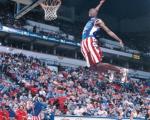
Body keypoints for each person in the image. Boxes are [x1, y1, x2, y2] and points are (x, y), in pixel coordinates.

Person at [81, 0, 124, 69]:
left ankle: (121, 70)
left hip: (90, 40)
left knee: (98, 63)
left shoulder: (98, 21)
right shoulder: (91, 19)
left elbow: (108, 31)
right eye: (91, 11)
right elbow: (96, 9)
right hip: (83, 42)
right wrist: (100, 3)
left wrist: (119, 40)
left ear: (95, 13)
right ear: (89, 14)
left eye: (94, 10)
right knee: (92, 66)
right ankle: (111, 71)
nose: (93, 10)